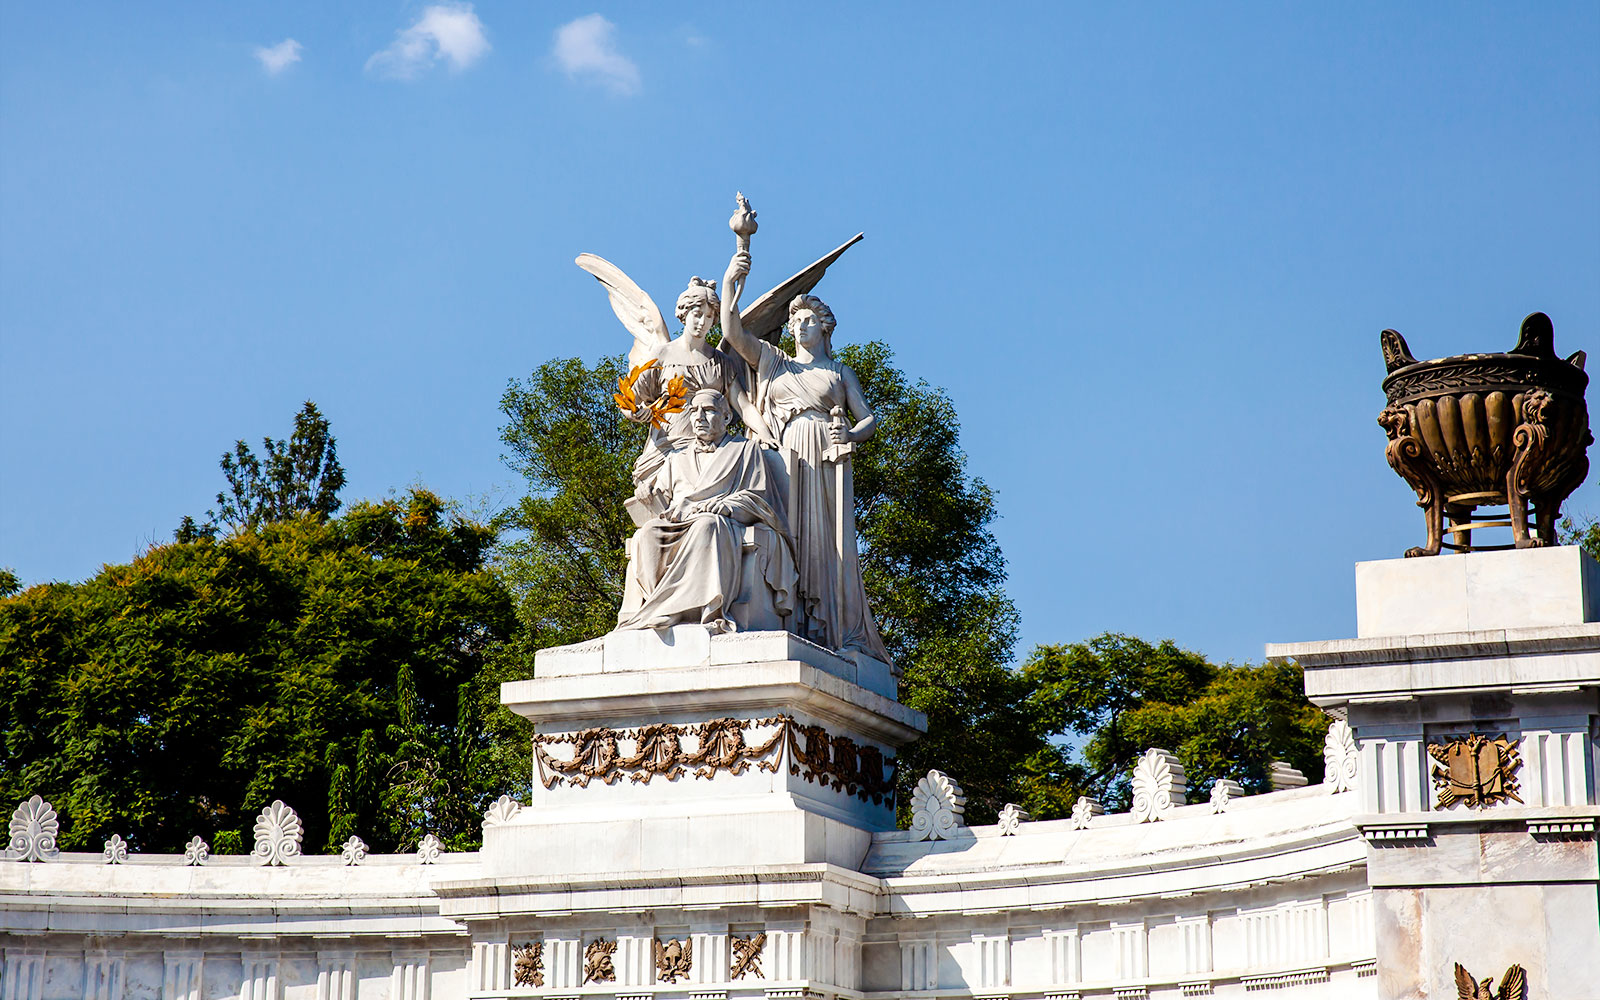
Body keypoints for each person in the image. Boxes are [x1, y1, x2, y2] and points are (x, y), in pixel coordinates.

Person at [719, 250, 892, 664]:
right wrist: (733, 273)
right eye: (795, 321)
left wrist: (849, 432)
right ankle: (784, 615)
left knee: (825, 540)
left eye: (809, 320)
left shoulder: (837, 372)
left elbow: (869, 419)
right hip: (783, 454)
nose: (800, 326)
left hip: (825, 454)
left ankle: (829, 627)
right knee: (786, 533)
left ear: (825, 327)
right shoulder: (773, 361)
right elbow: (731, 330)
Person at [616, 388, 796, 634]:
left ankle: (683, 609)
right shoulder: (676, 458)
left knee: (706, 526)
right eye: (694, 411)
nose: (699, 416)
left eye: (709, 410)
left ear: (726, 417)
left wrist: (728, 506)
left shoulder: (745, 450)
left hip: (719, 521)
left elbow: (759, 498)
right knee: (647, 534)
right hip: (677, 523)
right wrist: (646, 497)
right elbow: (661, 503)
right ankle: (657, 607)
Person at [620, 278, 774, 489]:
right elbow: (629, 402)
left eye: (709, 317)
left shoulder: (721, 362)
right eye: (698, 314)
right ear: (684, 314)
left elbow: (744, 407)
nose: (703, 322)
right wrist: (637, 413)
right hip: (671, 444)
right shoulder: (662, 355)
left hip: (712, 445)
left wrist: (767, 436)